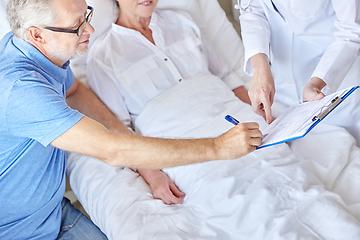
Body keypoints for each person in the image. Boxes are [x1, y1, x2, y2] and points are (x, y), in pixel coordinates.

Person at [0, 0, 263, 239]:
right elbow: (112, 150)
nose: (89, 29)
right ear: (37, 34)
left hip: (51, 215)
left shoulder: (36, 50)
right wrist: (217, 147)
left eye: (86, 16)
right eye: (76, 26)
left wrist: (126, 136)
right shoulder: (22, 90)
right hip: (16, 230)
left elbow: (75, 90)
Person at [85, 0, 257, 206]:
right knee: (235, 199)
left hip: (235, 124)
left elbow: (226, 76)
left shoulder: (182, 21)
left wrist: (259, 114)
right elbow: (121, 130)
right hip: (187, 150)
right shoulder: (103, 56)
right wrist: (153, 176)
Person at [238, 0, 360, 145]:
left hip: (335, 85)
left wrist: (317, 82)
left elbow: (351, 31)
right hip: (283, 88)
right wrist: (260, 70)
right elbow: (251, 9)